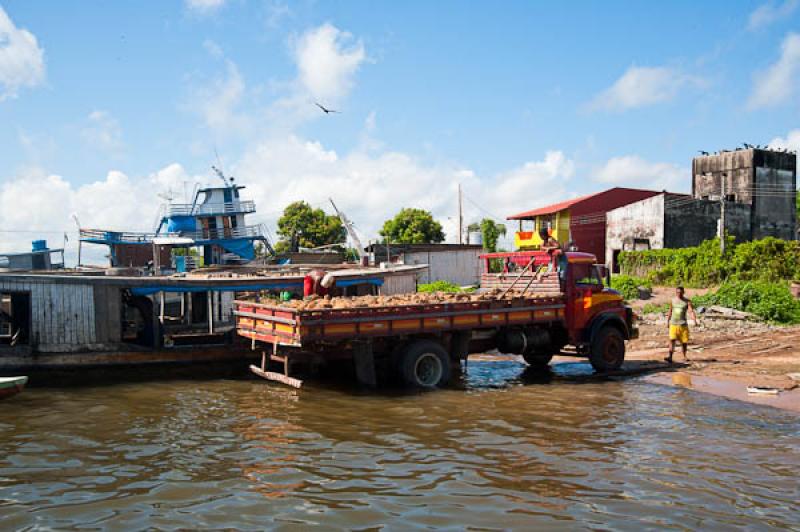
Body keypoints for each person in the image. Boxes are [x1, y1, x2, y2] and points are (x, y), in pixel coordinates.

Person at [666, 286, 698, 364]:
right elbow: (670, 311)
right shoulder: (672, 300)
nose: (678, 294)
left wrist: (694, 320)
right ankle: (670, 357)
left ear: (683, 292)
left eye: (680, 292)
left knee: (684, 342)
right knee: (672, 340)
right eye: (677, 292)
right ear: (676, 292)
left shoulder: (687, 301)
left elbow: (691, 311)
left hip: (683, 324)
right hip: (673, 324)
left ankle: (684, 356)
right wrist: (667, 321)